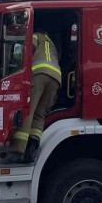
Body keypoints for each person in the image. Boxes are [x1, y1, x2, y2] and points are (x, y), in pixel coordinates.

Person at [6, 30, 61, 162]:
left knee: (28, 110)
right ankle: (32, 149)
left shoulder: (36, 36)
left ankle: (17, 151)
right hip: (56, 78)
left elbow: (27, 51)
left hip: (40, 74)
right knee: (40, 114)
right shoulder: (51, 43)